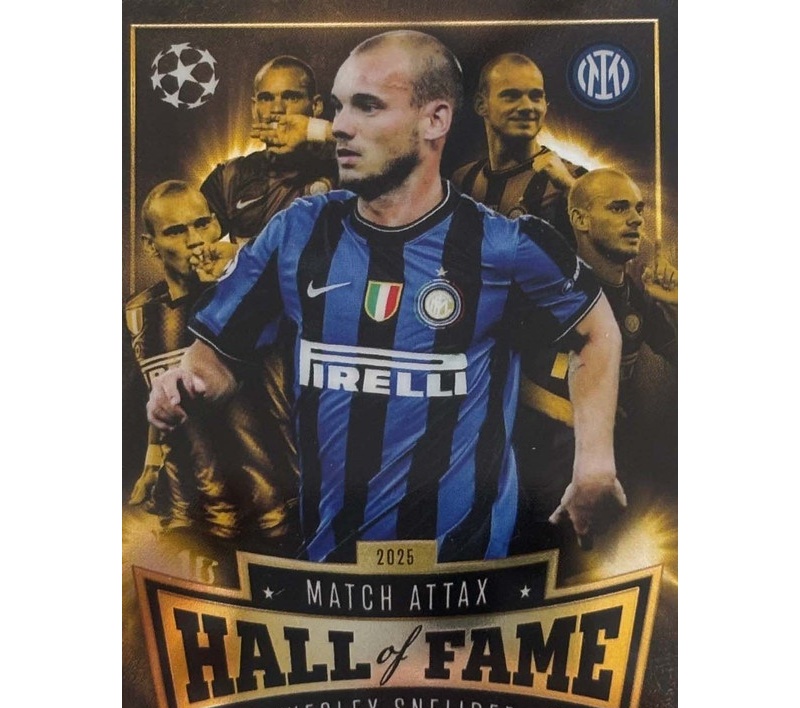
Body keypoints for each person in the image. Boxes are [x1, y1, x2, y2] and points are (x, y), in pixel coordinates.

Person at [147, 31, 626, 563]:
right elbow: (216, 357)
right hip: (329, 569)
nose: (340, 126)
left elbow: (597, 330)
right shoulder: (298, 231)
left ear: (435, 120)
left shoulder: (504, 245)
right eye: (338, 107)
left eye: (368, 106)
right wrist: (183, 384)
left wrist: (594, 465)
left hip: (465, 577)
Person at [126, 180, 299, 548]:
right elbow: (153, 398)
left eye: (202, 224)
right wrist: (151, 464)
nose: (195, 240)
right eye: (176, 231)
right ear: (150, 245)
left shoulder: (257, 301)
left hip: (270, 519)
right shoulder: (138, 315)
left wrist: (239, 265)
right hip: (186, 520)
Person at [512, 169, 677, 552]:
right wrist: (572, 411)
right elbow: (492, 368)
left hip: (608, 478)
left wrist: (675, 305)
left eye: (638, 209)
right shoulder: (543, 289)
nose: (635, 219)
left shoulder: (637, 297)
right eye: (619, 208)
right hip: (534, 474)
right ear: (580, 219)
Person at [200, 56, 337, 243]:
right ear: (254, 108)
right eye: (266, 98)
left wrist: (315, 130)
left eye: (291, 97)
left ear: (316, 106)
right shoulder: (229, 177)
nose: (277, 109)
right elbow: (190, 243)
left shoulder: (345, 168)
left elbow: (380, 148)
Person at [451, 53, 585, 242]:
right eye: (512, 96)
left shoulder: (574, 178)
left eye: (536, 97)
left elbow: (610, 249)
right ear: (481, 105)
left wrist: (570, 189)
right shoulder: (462, 179)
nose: (527, 107)